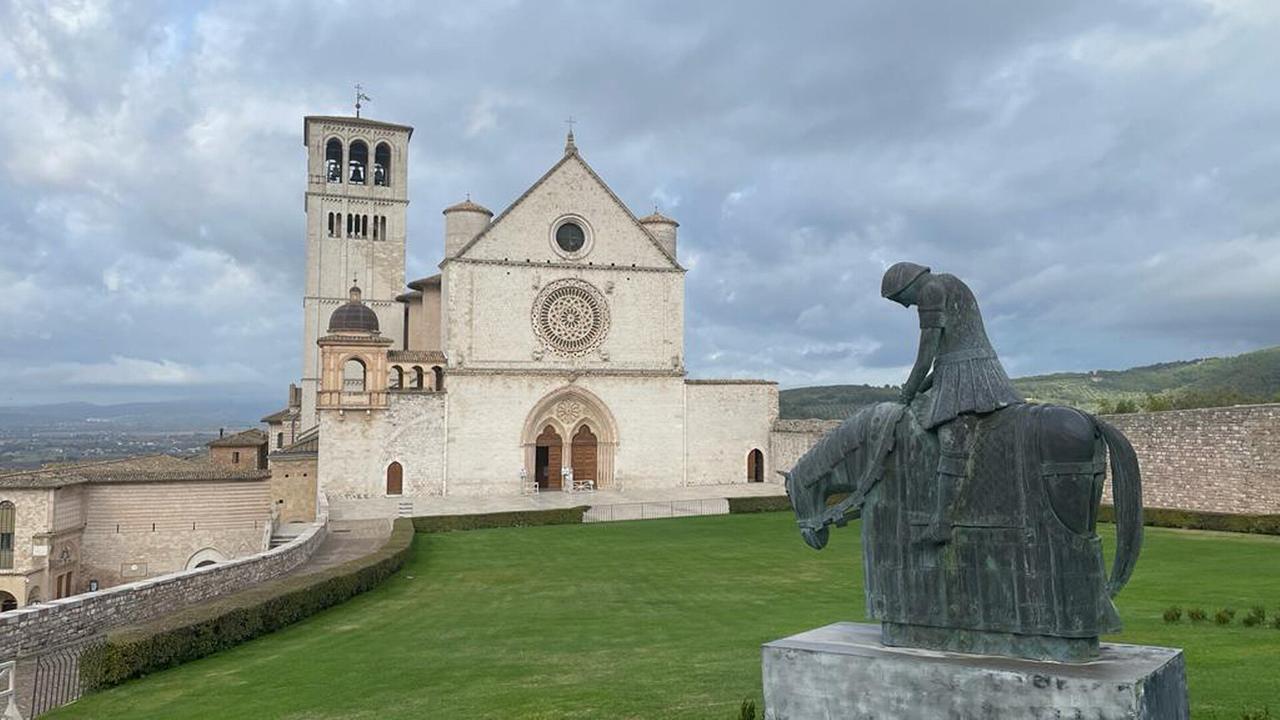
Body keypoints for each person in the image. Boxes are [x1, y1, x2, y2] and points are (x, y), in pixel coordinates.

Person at [881, 262, 1024, 543]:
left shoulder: (930, 291)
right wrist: (920, 388)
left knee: (951, 438)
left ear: (908, 286)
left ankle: (942, 523)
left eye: (900, 300)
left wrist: (908, 392)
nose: (906, 307)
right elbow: (946, 357)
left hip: (969, 374)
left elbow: (927, 354)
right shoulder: (949, 282)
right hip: (962, 369)